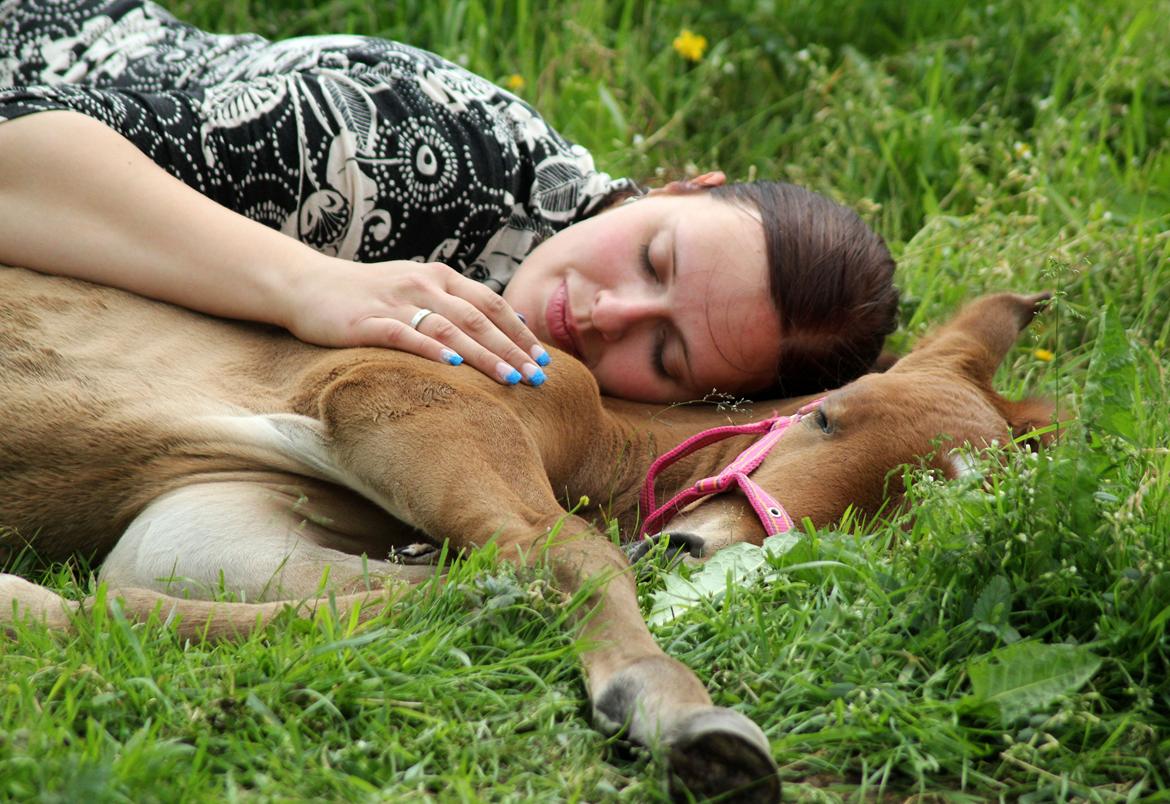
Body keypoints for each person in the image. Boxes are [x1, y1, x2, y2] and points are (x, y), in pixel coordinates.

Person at [0, 0, 897, 403]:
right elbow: (21, 161)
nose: (603, 311)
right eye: (656, 258)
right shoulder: (407, 157)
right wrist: (310, 284)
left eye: (665, 353)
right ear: (677, 187)